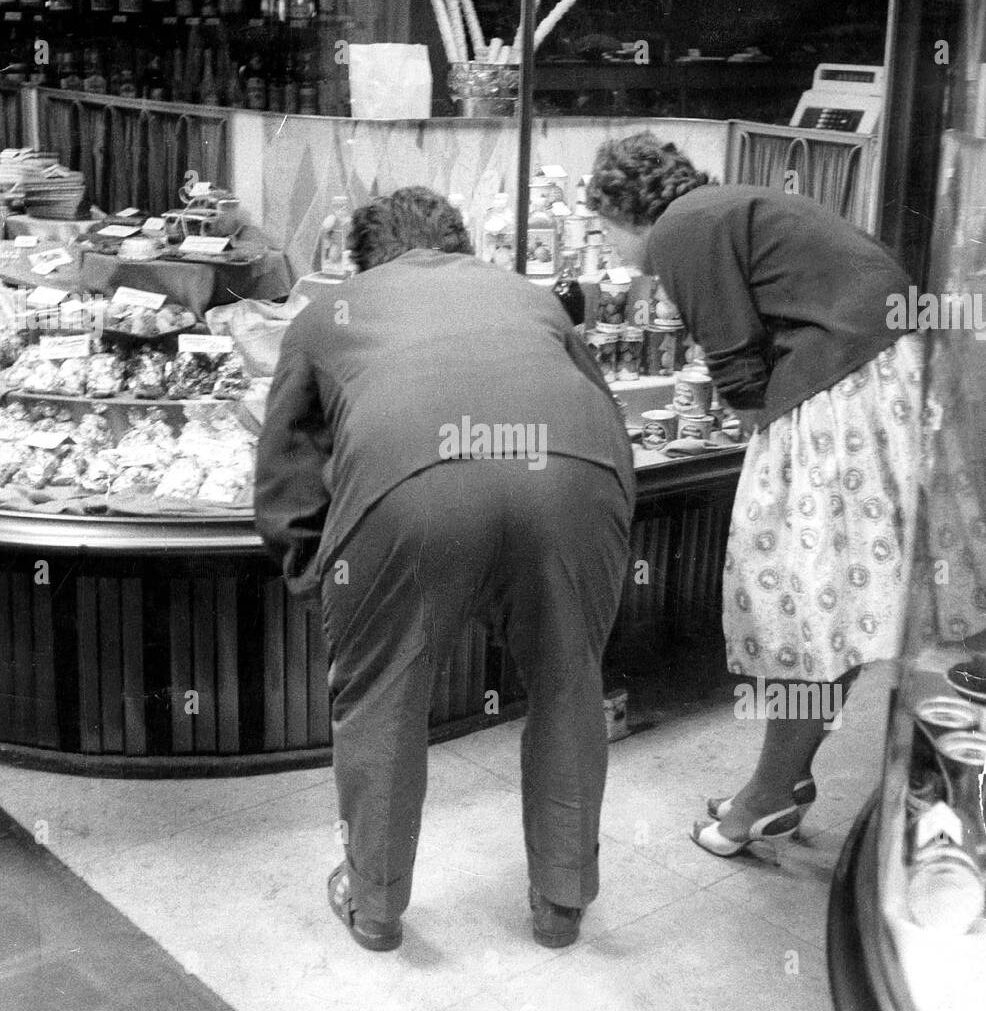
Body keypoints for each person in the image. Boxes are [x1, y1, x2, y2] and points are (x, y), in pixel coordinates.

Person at [587, 133, 986, 861]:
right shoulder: (729, 203)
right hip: (882, 377)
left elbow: (736, 366)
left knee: (803, 608)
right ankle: (784, 783)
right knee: (832, 606)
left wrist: (764, 462)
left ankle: (768, 795)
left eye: (603, 230)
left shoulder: (681, 226)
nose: (607, 247)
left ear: (620, 210)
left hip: (842, 390)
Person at [254, 186, 634, 950]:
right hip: (576, 479)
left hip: (414, 489)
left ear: (363, 262)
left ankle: (376, 906)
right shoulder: (530, 298)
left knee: (383, 699)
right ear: (460, 243)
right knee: (568, 682)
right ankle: (562, 903)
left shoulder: (331, 314)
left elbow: (287, 473)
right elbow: (602, 409)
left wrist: (313, 574)